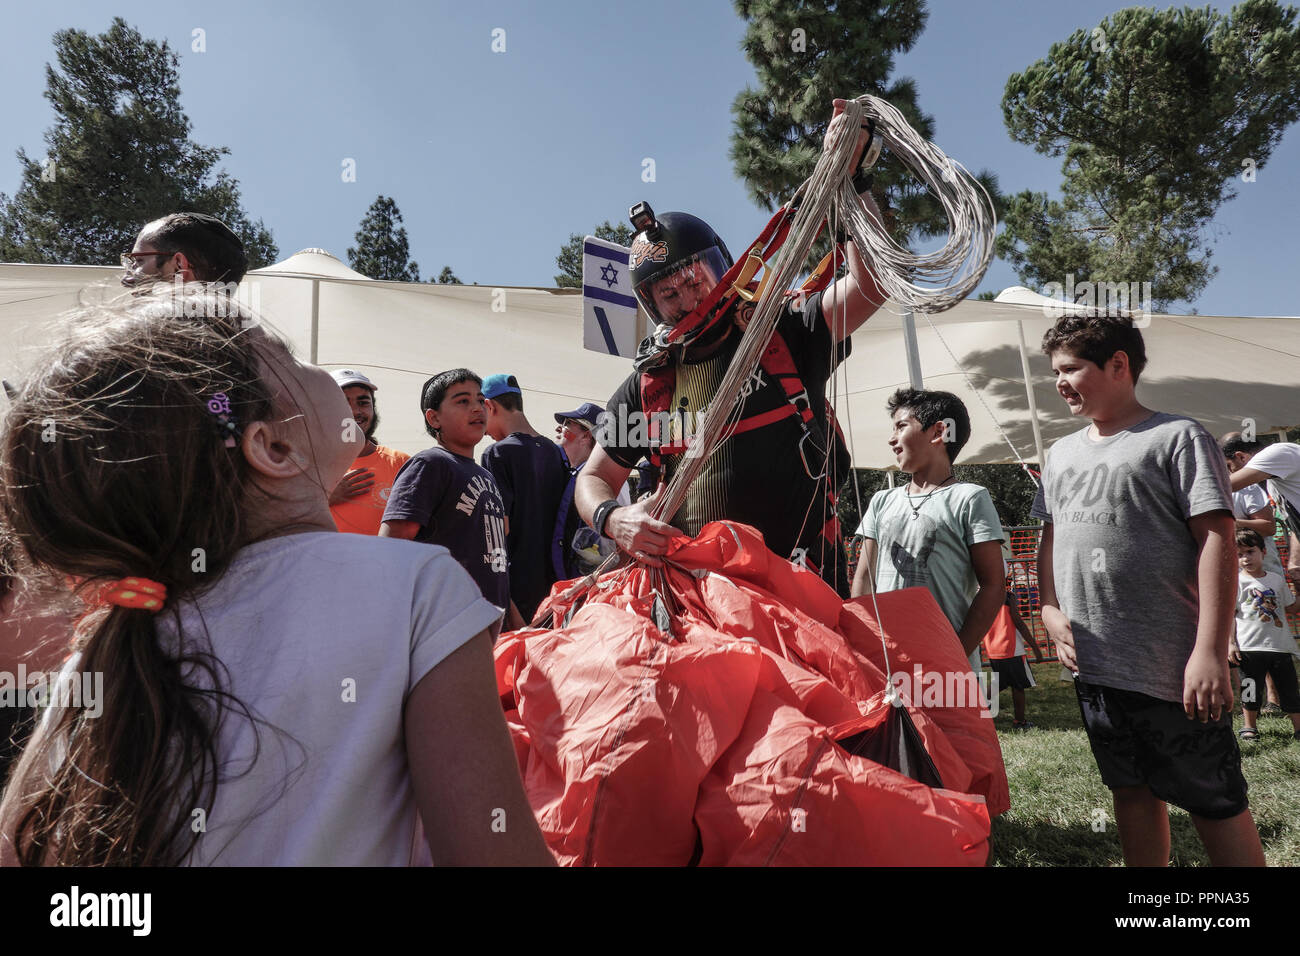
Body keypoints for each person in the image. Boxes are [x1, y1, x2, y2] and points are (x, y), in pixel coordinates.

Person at [0, 296, 551, 865]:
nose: (324, 375)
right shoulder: (418, 588)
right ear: (273, 447)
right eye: (287, 355)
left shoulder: (104, 650)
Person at [576, 100, 887, 597]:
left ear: (724, 269)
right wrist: (614, 520)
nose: (686, 301)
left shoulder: (781, 330)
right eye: (668, 294)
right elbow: (594, 475)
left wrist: (853, 182)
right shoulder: (651, 382)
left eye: (694, 282)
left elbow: (870, 287)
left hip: (804, 597)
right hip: (697, 607)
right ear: (651, 306)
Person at [1032, 313, 1264, 866]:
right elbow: (1049, 539)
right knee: (1130, 790)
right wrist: (1046, 607)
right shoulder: (1060, 454)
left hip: (1170, 666)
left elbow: (1217, 541)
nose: (1060, 382)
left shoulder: (1177, 437)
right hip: (1094, 664)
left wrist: (1209, 650)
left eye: (1072, 369)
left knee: (1214, 799)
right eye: (1055, 372)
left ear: (1119, 365)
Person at [851, 389, 1006, 674]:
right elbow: (864, 579)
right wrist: (861, 645)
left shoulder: (970, 498)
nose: (891, 439)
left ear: (938, 432)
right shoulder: (882, 501)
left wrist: (956, 653)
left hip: (947, 669)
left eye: (901, 426)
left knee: (948, 721)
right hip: (886, 664)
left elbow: (994, 585)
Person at [380, 370, 518, 630]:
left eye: (480, 400)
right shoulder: (429, 464)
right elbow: (392, 547)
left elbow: (493, 558)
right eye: (462, 401)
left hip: (491, 625)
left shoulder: (485, 475)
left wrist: (514, 616)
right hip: (445, 626)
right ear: (434, 418)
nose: (477, 408)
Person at [479, 374, 570, 623]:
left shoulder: (497, 453)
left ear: (490, 406)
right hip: (557, 585)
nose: (482, 428)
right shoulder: (555, 451)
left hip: (517, 586)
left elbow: (499, 528)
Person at [1231, 529, 1300, 742]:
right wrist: (1231, 643)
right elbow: (1230, 615)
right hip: (1249, 648)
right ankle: (1249, 726)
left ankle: (1298, 727)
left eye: (1250, 551)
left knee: (1290, 689)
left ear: (1263, 552)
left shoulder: (1277, 580)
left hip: (1279, 646)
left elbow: (1292, 608)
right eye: (1240, 554)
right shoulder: (1236, 582)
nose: (1246, 558)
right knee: (1250, 689)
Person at [327, 369, 411, 536]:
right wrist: (324, 499)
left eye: (363, 402)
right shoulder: (306, 464)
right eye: (343, 403)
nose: (354, 411)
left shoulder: (402, 463)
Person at [550, 403, 627, 579]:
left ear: (586, 435)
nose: (559, 427)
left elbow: (621, 539)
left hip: (592, 583)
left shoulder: (610, 479)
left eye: (568, 423)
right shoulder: (574, 473)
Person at [120, 212, 248, 290]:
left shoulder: (131, 333)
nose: (126, 279)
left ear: (179, 267)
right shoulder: (250, 331)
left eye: (138, 261)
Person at [1220, 432, 1287, 578]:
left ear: (1241, 456)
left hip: (1264, 573)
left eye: (1228, 465)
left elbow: (1268, 526)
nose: (1228, 471)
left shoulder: (1249, 487)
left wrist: (1231, 523)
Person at [982, 588, 1045, 730]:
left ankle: (978, 707)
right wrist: (1035, 648)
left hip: (993, 649)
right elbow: (1019, 622)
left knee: (999, 682)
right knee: (1018, 686)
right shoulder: (1007, 596)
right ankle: (1020, 722)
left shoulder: (981, 596)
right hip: (1011, 648)